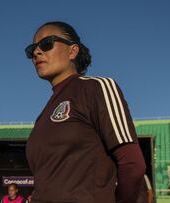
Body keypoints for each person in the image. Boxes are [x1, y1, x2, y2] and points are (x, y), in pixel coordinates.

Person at [25, 21, 146, 203]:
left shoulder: (95, 88)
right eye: (31, 49)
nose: (36, 52)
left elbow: (132, 164)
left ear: (73, 51)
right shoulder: (42, 116)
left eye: (46, 43)